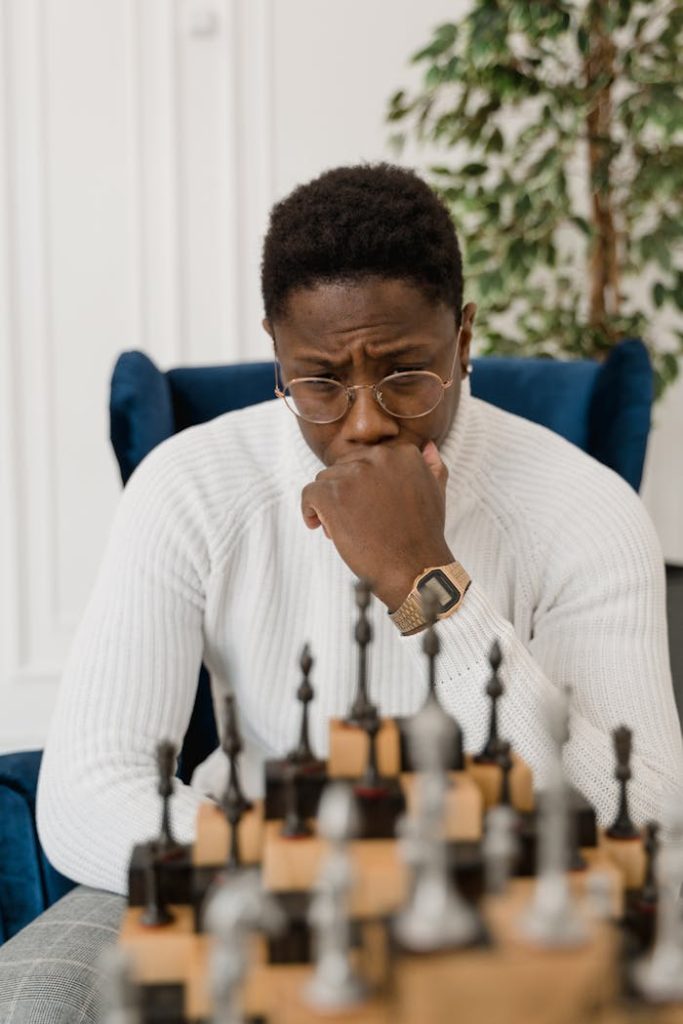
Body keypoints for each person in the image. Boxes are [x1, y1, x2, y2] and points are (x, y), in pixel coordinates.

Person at [1, 162, 681, 1021]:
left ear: (462, 338)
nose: (364, 421)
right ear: (276, 353)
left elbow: (641, 824)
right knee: (29, 996)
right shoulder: (191, 485)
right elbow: (87, 790)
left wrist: (426, 584)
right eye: (320, 382)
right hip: (238, 868)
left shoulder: (582, 508)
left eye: (405, 375)